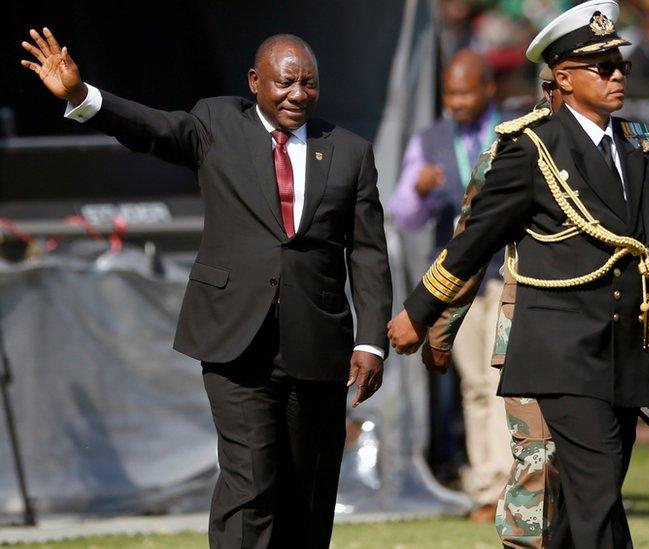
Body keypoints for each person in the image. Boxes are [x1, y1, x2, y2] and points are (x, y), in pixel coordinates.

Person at [20, 29, 392, 547]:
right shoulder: (218, 123)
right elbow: (153, 128)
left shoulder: (350, 152)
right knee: (250, 479)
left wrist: (370, 340)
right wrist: (85, 97)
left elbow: (369, 253)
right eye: (286, 83)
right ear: (255, 82)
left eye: (309, 84)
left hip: (316, 343)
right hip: (234, 338)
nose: (298, 95)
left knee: (306, 489)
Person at [389, 2, 649, 546]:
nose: (618, 73)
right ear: (566, 78)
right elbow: (474, 238)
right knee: (597, 501)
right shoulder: (531, 148)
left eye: (619, 63)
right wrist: (420, 311)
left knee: (583, 506)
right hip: (559, 353)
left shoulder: (641, 145)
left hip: (624, 352)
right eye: (603, 66)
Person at [389, 49, 512, 520]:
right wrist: (418, 190)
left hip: (508, 275)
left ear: (487, 90)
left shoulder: (515, 134)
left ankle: (518, 485)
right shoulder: (431, 140)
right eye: (449, 93)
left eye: (465, 91)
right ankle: (488, 487)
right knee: (476, 386)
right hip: (458, 284)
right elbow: (402, 213)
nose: (456, 101)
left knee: (506, 381)